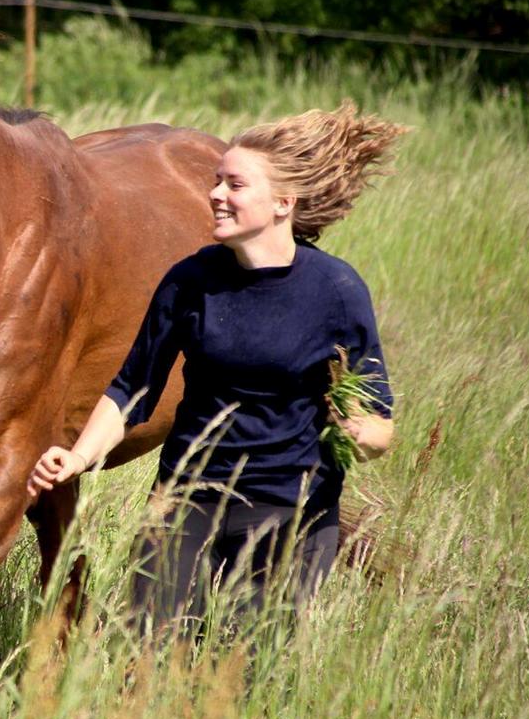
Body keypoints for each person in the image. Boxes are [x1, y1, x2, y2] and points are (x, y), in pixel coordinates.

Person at [26, 102, 405, 636]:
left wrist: (361, 433)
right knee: (150, 657)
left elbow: (378, 421)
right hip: (186, 500)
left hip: (288, 509)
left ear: (283, 203)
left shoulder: (335, 292)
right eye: (217, 180)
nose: (215, 195)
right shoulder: (190, 280)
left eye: (234, 185)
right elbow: (132, 387)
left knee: (237, 667)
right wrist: (78, 456)